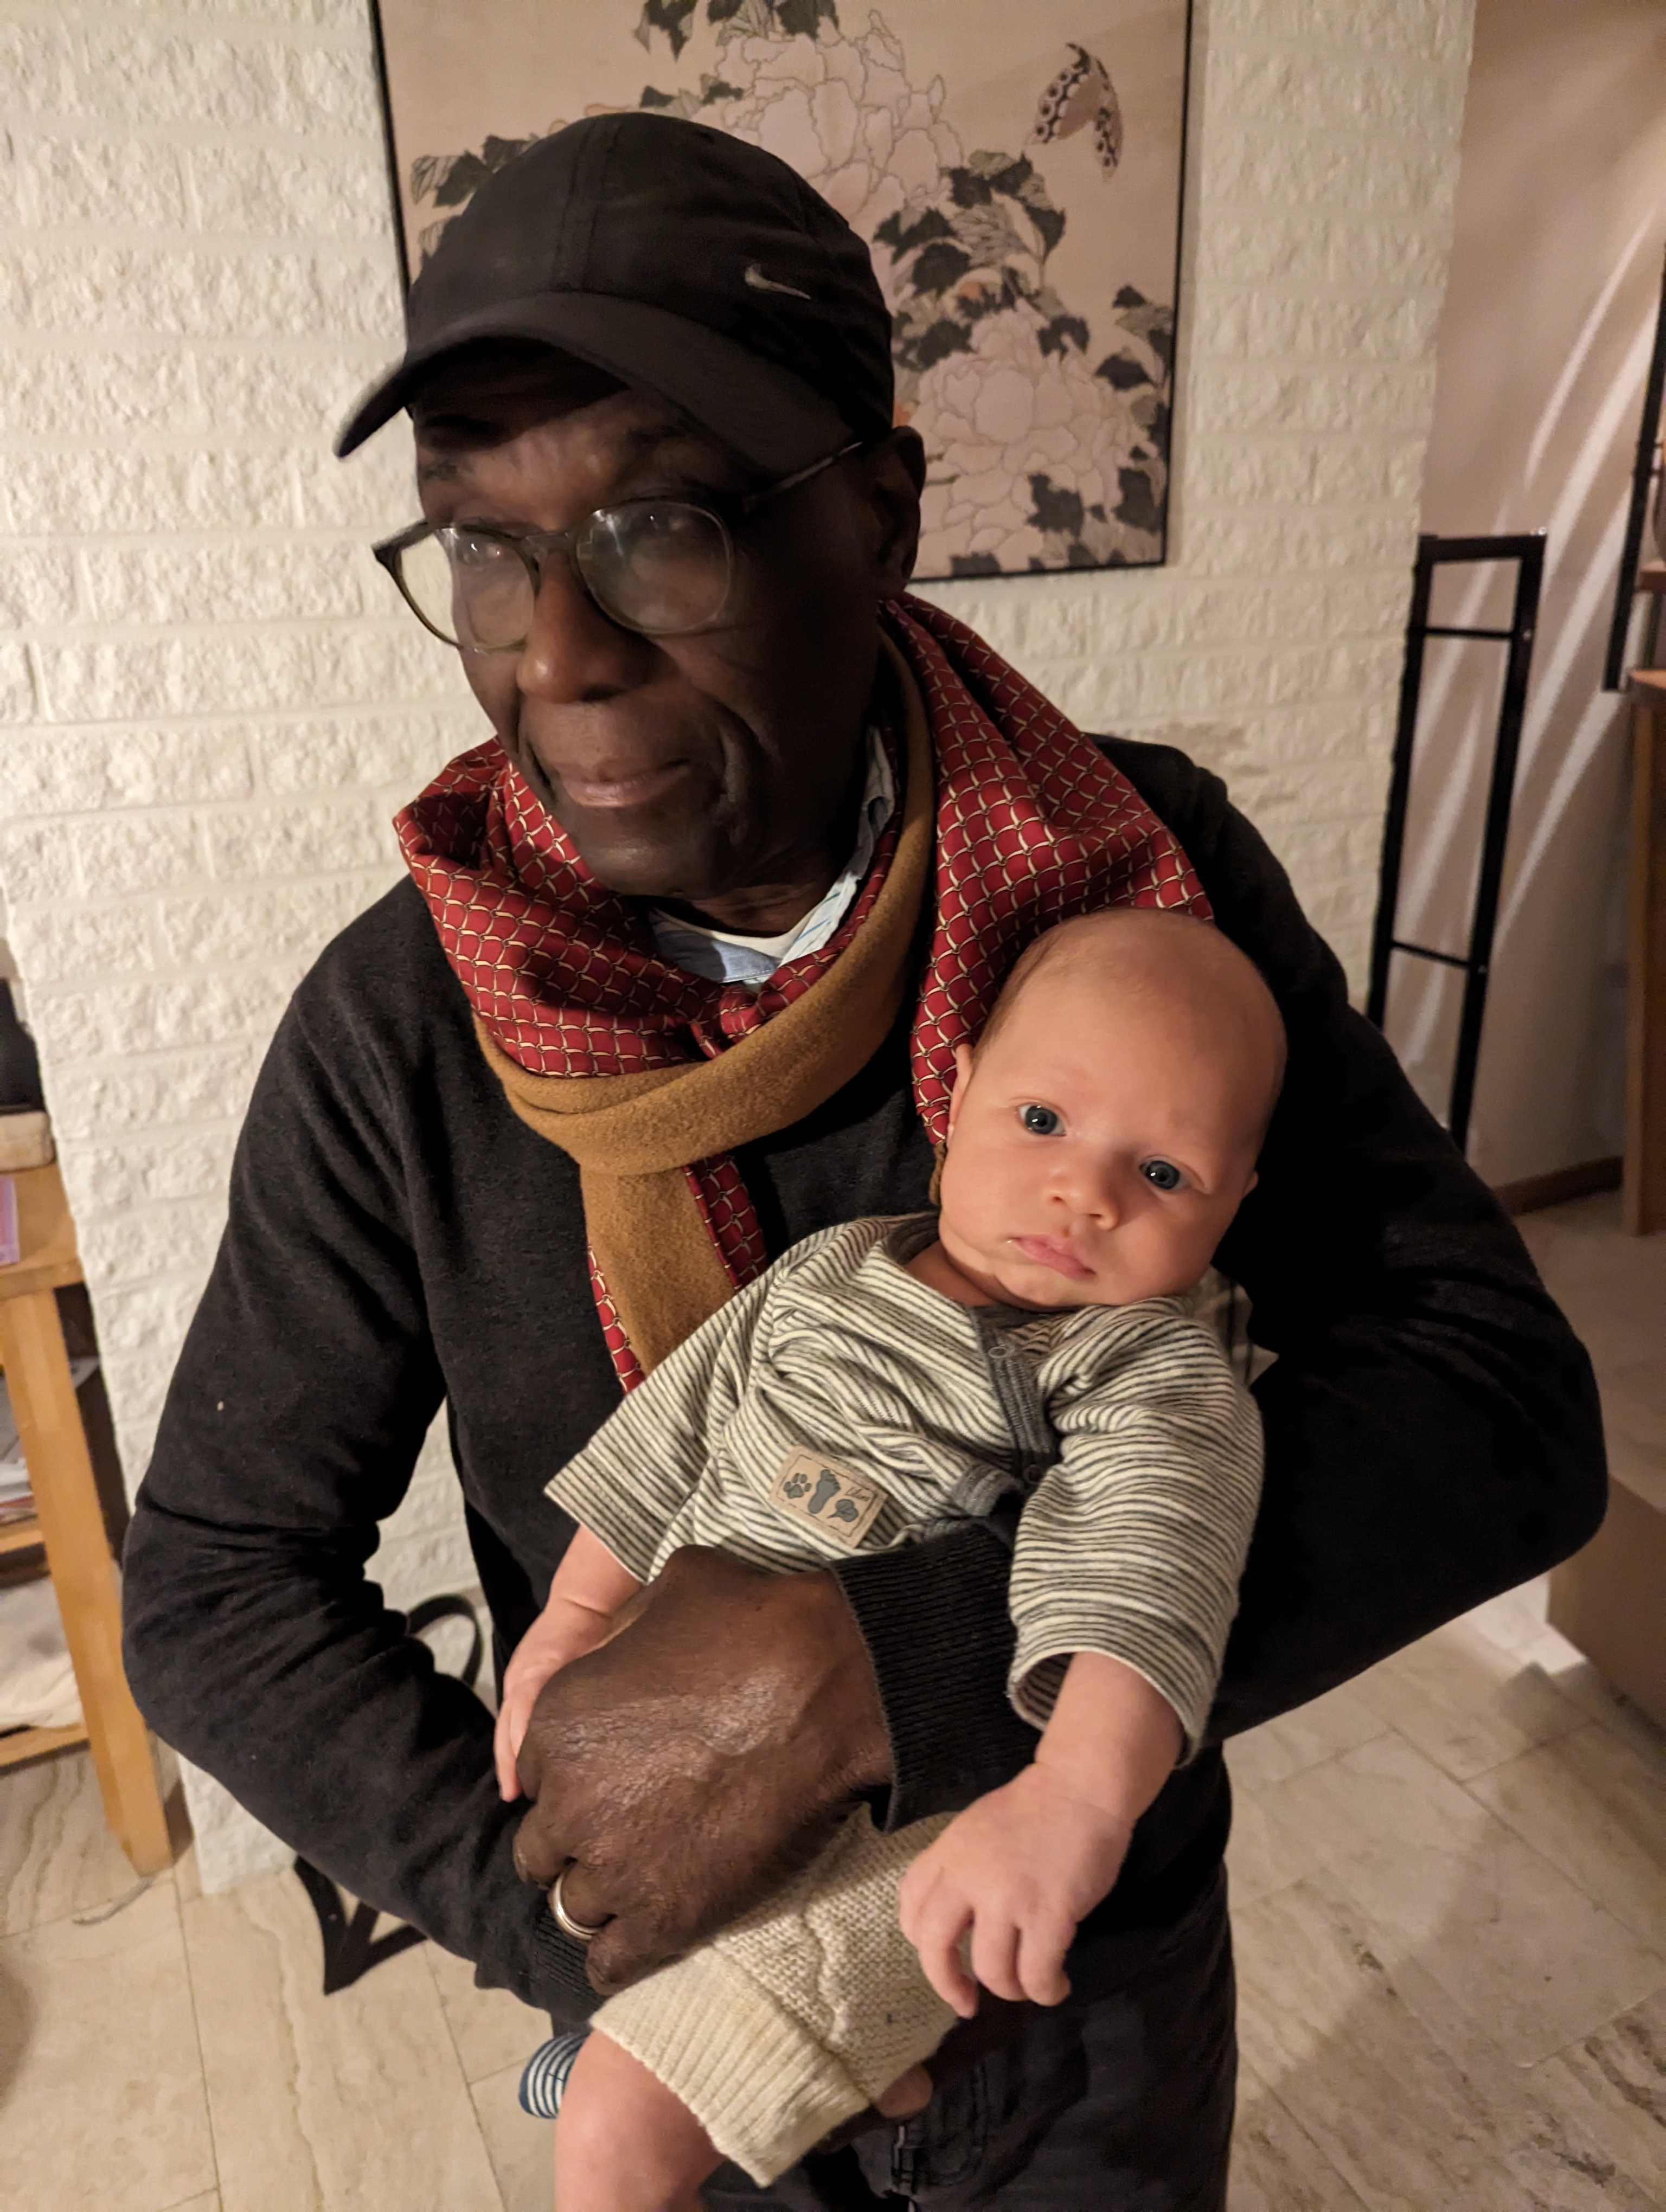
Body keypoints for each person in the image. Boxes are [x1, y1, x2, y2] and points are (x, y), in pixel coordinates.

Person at [120, 114, 1606, 2211]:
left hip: (1071, 1964)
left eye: (660, 525)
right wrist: (604, 1930)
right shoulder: (410, 1014)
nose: (557, 650)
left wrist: (880, 1670)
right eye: (480, 545)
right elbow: (212, 1589)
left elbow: (1499, 1407)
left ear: (881, 512)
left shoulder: (1131, 895)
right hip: (667, 2020)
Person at [496, 905, 1284, 2206]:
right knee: (615, 1939)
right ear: (955, 1093)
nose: (1086, 1193)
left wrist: (1074, 1804)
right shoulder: (831, 1267)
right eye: (1044, 1120)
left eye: (1163, 1175)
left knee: (616, 2139)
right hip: (668, 1729)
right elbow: (669, 1433)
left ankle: (646, 2091)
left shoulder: (1140, 1366)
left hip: (898, 1833)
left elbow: (1147, 1588)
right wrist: (577, 1616)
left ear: (1236, 1201)